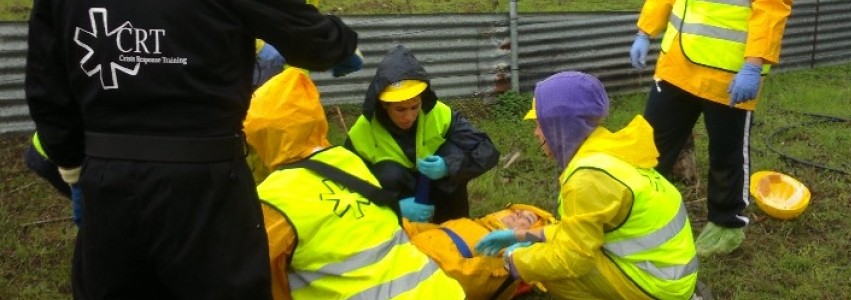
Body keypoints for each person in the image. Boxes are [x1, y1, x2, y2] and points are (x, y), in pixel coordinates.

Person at [25, 0, 360, 298]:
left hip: (109, 184)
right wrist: (340, 46)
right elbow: (302, 31)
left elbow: (47, 90)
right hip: (208, 185)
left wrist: (74, 170)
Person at [243, 68, 465, 300]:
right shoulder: (346, 159)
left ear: (263, 138)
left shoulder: (273, 198)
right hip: (441, 292)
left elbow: (249, 273)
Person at [474, 71, 698, 299]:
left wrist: (514, 261)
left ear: (559, 126)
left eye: (539, 125)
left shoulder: (587, 177)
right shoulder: (607, 149)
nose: (535, 133)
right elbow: (579, 232)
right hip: (668, 275)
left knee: (555, 273)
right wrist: (523, 236)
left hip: (658, 287)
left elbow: (570, 259)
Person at [629, 0, 794, 256]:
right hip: (677, 65)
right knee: (649, 144)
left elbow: (771, 11)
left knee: (726, 153)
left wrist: (753, 64)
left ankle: (725, 224)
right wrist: (645, 31)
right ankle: (637, 211)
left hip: (727, 75)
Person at [345, 45, 500, 223]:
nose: (409, 116)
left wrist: (448, 166)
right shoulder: (363, 130)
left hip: (442, 203)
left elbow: (487, 150)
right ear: (384, 104)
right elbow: (343, 186)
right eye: (400, 109)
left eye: (415, 106)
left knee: (454, 154)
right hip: (390, 217)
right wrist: (393, 207)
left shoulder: (438, 114)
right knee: (389, 173)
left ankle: (455, 229)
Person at [402, 203, 557, 300]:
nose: (517, 214)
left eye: (527, 218)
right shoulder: (468, 222)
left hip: (418, 274)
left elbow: (469, 281)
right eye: (517, 211)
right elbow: (423, 230)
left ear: (531, 232)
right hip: (402, 254)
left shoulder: (507, 259)